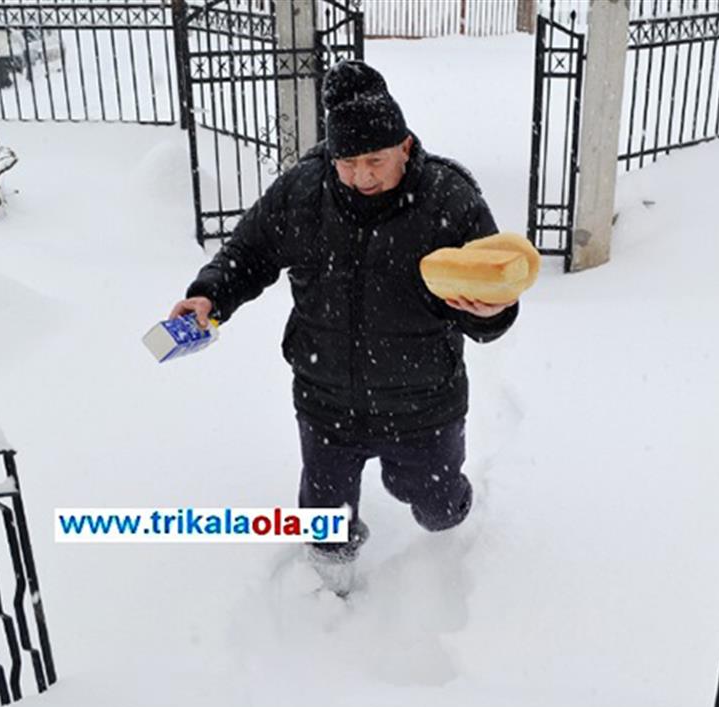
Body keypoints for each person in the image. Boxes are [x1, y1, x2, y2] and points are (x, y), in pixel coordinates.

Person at [169, 60, 520, 572]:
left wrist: (493, 313)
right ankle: (329, 594)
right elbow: (248, 253)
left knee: (438, 509)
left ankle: (450, 506)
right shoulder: (302, 194)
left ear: (404, 145)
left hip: (422, 403)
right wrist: (208, 297)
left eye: (374, 160)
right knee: (325, 524)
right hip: (326, 399)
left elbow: (492, 297)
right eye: (346, 161)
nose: (361, 176)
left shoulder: (451, 200)